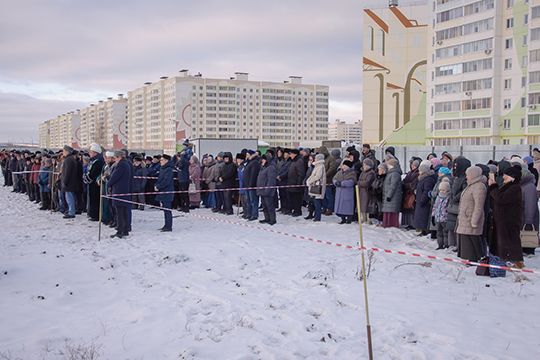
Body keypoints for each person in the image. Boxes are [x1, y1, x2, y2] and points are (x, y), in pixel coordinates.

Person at [488, 166, 525, 268]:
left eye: (506, 175)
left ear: (512, 177)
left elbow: (501, 198)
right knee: (503, 239)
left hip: (510, 219)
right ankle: (504, 257)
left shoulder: (515, 188)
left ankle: (516, 260)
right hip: (503, 218)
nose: (504, 177)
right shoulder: (507, 186)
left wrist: (493, 187)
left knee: (511, 240)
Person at [455, 166, 487, 262]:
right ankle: (469, 257)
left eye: (468, 175)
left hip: (471, 218)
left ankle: (474, 258)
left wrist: (474, 220)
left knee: (472, 239)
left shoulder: (479, 186)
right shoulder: (471, 185)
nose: (467, 177)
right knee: (466, 239)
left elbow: (479, 206)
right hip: (466, 217)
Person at [446, 157, 471, 252]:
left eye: (457, 166)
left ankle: (458, 245)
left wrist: (455, 198)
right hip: (453, 204)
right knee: (452, 225)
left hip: (458, 205)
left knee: (458, 226)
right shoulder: (458, 177)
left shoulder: (465, 178)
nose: (455, 168)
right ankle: (453, 244)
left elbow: (464, 191)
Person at [107, 150, 132, 238]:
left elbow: (115, 176)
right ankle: (125, 229)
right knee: (124, 211)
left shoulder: (121, 165)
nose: (114, 160)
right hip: (124, 191)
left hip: (119, 191)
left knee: (120, 212)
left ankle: (120, 230)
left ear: (120, 157)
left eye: (115, 158)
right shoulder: (126, 164)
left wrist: (108, 183)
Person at [414, 161, 436, 236]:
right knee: (420, 216)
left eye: (420, 171)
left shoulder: (428, 179)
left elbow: (427, 191)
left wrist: (423, 200)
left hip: (425, 202)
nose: (419, 172)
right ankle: (422, 230)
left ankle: (425, 230)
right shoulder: (423, 178)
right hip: (420, 199)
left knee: (424, 217)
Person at [83, 143, 105, 221]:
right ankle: (92, 213)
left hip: (95, 185)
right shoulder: (93, 161)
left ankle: (95, 215)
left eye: (91, 152)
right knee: (92, 199)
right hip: (91, 184)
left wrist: (87, 178)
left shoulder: (98, 162)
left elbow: (93, 173)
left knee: (95, 200)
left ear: (95, 153)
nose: (90, 154)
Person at [520, 170, 539, 255]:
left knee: (528, 237)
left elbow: (530, 205)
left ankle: (528, 250)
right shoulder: (525, 186)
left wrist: (528, 221)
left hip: (527, 219)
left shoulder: (529, 187)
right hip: (524, 217)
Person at [333, 159, 357, 224]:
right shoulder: (339, 172)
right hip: (340, 192)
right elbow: (334, 179)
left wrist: (342, 183)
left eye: (345, 166)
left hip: (347, 192)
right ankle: (342, 219)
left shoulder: (352, 173)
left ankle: (349, 219)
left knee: (348, 206)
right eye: (343, 166)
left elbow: (351, 182)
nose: (344, 167)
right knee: (340, 206)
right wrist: (336, 183)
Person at [155, 154, 174, 232]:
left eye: (162, 160)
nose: (160, 162)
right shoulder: (163, 168)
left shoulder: (168, 169)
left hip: (167, 192)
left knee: (167, 210)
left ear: (166, 161)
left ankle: (168, 226)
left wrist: (158, 186)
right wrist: (156, 185)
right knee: (165, 209)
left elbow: (166, 181)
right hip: (162, 192)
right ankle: (166, 225)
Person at [61, 145, 80, 219]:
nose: (63, 152)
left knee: (69, 197)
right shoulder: (70, 158)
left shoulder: (69, 159)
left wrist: (65, 181)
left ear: (67, 151)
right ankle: (70, 210)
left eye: (64, 151)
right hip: (71, 182)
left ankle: (71, 212)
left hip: (69, 183)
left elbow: (67, 172)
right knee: (69, 197)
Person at [257, 154, 277, 225]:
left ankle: (272, 219)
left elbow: (271, 180)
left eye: (264, 159)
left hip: (267, 191)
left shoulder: (270, 168)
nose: (262, 161)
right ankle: (267, 218)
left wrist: (267, 189)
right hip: (261, 190)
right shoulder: (263, 167)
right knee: (264, 206)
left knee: (270, 206)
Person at [382, 159, 402, 228]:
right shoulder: (391, 173)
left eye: (388, 165)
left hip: (393, 196)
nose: (387, 166)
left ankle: (391, 224)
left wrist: (389, 195)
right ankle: (387, 224)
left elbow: (393, 185)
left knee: (391, 211)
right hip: (389, 195)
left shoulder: (395, 174)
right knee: (388, 210)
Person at [316, 146, 337, 216]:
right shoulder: (322, 159)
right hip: (322, 181)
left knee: (329, 195)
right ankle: (324, 208)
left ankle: (330, 208)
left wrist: (325, 175)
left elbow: (332, 168)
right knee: (323, 195)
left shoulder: (331, 159)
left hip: (328, 180)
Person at [306, 154, 326, 222]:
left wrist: (310, 181)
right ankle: (315, 215)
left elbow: (318, 176)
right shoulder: (316, 166)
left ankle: (318, 217)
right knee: (314, 201)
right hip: (314, 185)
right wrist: (308, 180)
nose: (315, 159)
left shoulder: (320, 166)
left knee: (317, 203)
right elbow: (312, 175)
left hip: (318, 186)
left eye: (316, 158)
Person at [432, 179, 451, 250]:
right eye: (441, 190)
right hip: (438, 217)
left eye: (444, 190)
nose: (442, 192)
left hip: (445, 218)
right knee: (439, 232)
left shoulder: (448, 198)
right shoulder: (438, 197)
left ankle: (446, 244)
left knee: (445, 232)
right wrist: (433, 215)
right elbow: (435, 207)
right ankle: (440, 244)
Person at [401, 159, 419, 229]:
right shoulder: (409, 172)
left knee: (410, 207)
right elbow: (404, 180)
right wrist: (404, 184)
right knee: (407, 207)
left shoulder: (416, 173)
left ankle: (412, 223)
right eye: (412, 165)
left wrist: (407, 185)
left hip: (411, 192)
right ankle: (408, 223)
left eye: (414, 165)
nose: (412, 166)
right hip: (406, 192)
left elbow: (413, 183)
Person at [287, 149, 306, 217]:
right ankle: (295, 210)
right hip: (291, 183)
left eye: (291, 154)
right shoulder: (293, 161)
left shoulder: (299, 161)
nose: (290, 155)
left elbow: (301, 174)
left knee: (297, 199)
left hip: (296, 184)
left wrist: (298, 184)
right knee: (293, 198)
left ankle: (298, 211)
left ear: (295, 154)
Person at [357, 158, 375, 224]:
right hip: (362, 190)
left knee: (366, 204)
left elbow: (367, 182)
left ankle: (368, 218)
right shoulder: (363, 172)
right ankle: (364, 217)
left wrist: (359, 183)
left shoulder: (371, 173)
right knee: (362, 204)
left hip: (366, 191)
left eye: (365, 165)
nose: (363, 166)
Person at [243, 150, 260, 220]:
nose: (247, 156)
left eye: (248, 154)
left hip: (251, 185)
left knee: (253, 201)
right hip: (247, 184)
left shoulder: (254, 163)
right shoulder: (249, 162)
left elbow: (253, 175)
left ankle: (254, 214)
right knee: (248, 201)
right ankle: (249, 213)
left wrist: (251, 184)